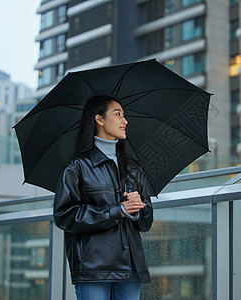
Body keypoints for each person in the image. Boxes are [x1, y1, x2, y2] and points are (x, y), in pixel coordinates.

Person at [53, 96, 153, 300]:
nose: (125, 121)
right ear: (99, 119)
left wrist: (138, 208)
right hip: (93, 268)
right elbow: (64, 215)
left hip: (130, 266)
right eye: (118, 114)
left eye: (124, 115)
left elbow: (146, 222)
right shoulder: (78, 166)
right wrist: (118, 210)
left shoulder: (133, 168)